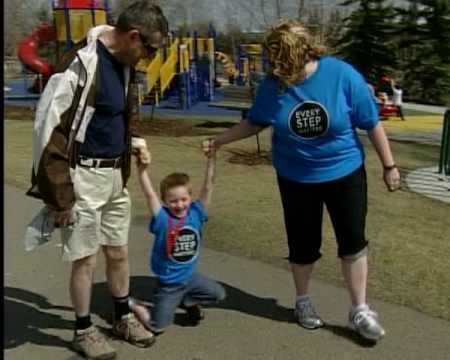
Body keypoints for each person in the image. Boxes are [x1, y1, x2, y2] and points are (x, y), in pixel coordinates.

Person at [203, 19, 401, 343]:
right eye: (273, 60)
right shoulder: (273, 85)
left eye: (281, 60)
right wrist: (219, 140)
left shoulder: (342, 75)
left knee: (352, 241)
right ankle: (303, 301)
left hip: (344, 172)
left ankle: (360, 309)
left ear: (302, 54)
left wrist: (389, 166)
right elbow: (255, 122)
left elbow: (371, 123)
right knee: (303, 244)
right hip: (295, 177)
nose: (276, 67)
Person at [27, 1, 169, 358]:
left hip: (114, 176)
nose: (150, 58)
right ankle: (83, 329)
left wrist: (136, 140)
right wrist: (61, 196)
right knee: (85, 258)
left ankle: (122, 316)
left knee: (118, 252)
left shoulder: (125, 64)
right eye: (150, 49)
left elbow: (126, 110)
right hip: (83, 176)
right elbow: (49, 131)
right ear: (133, 36)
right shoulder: (80, 64)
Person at [129, 140, 226, 334]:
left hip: (190, 278)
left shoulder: (196, 213)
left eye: (183, 199)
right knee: (158, 326)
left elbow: (208, 187)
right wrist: (142, 171)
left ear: (190, 199)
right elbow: (149, 196)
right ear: (165, 201)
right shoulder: (163, 218)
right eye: (173, 201)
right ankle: (134, 305)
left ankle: (188, 300)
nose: (179, 205)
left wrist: (211, 160)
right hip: (169, 285)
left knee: (218, 295)